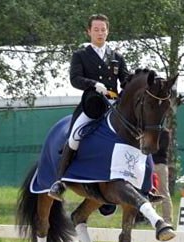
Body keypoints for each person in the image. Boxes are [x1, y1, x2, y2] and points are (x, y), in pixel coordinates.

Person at [48, 14, 129, 201]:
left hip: (113, 105)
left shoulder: (116, 57)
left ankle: (145, 184)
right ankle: (60, 182)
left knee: (136, 136)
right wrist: (93, 84)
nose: (100, 33)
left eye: (103, 30)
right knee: (75, 135)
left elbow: (125, 80)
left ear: (108, 31)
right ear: (89, 32)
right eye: (96, 30)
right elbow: (75, 79)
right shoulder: (81, 55)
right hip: (92, 104)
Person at [152, 128, 173, 224]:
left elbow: (161, 149)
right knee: (151, 192)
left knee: (164, 192)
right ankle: (153, 219)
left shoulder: (165, 133)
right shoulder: (148, 131)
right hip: (149, 164)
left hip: (160, 165)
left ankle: (167, 219)